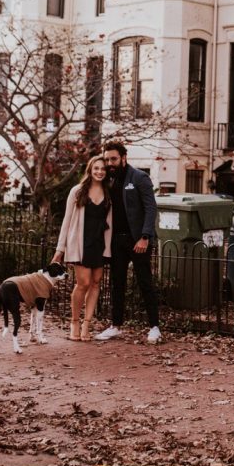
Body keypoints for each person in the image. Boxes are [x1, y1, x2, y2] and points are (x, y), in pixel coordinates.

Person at [94, 141, 161, 344]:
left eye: (113, 159)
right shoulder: (108, 180)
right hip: (116, 240)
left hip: (137, 240)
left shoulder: (139, 177)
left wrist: (145, 237)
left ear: (124, 158)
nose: (109, 163)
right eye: (106, 159)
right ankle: (116, 326)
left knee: (144, 282)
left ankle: (154, 327)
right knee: (117, 284)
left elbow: (151, 208)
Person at [51, 155, 112, 341]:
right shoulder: (77, 191)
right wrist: (60, 249)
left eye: (103, 169)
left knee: (95, 283)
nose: (100, 172)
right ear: (90, 170)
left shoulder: (109, 193)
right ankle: (74, 322)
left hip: (99, 244)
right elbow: (67, 220)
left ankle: (87, 324)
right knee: (83, 283)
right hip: (80, 243)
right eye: (96, 168)